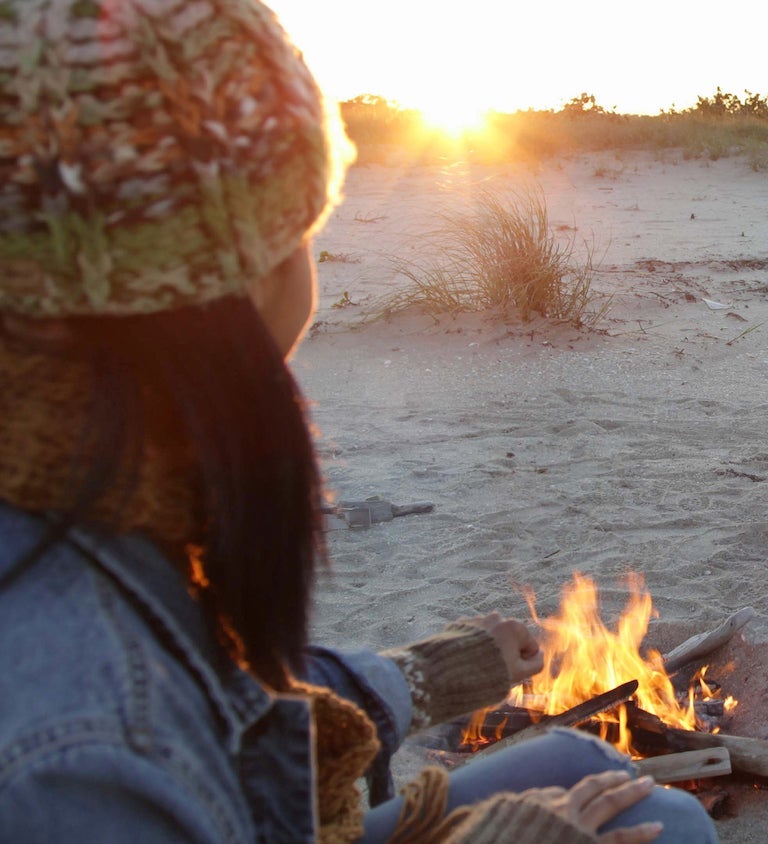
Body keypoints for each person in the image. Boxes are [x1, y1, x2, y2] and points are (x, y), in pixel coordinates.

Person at [0, 2, 716, 841]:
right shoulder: (82, 749)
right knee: (667, 825)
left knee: (585, 767)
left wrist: (414, 678)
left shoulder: (91, 494)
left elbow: (218, 692)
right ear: (246, 275)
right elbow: (152, 714)